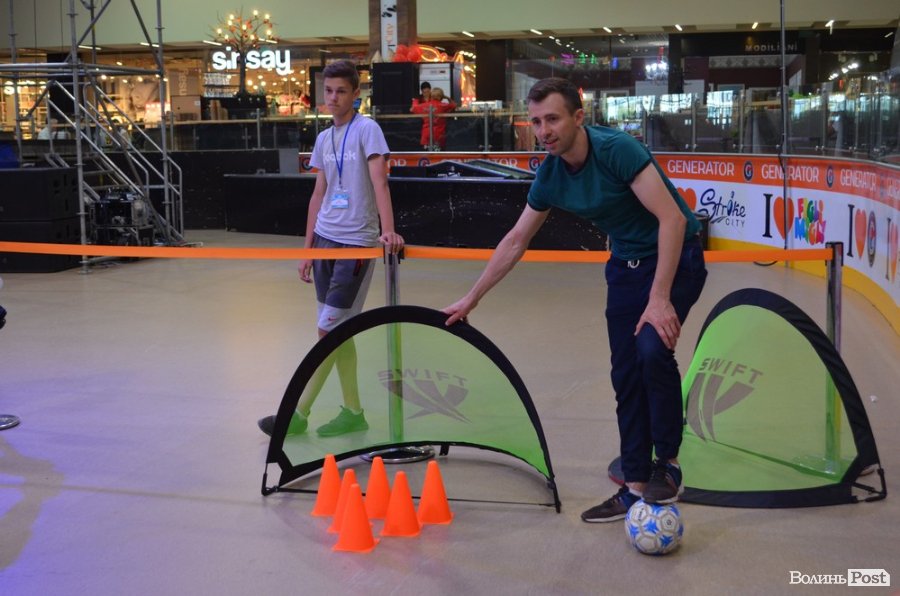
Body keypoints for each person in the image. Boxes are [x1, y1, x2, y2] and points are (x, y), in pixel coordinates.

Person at [442, 77, 707, 522]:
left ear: (578, 117)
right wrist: (472, 298)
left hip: (676, 259)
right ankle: (635, 483)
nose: (543, 131)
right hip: (625, 266)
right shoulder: (550, 175)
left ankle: (668, 463)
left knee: (651, 349)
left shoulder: (617, 150)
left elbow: (673, 221)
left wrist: (660, 298)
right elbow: (516, 240)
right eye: (536, 122)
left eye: (553, 119)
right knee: (624, 372)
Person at [257, 60, 404, 437]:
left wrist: (388, 231)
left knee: (328, 333)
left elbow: (381, 183)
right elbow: (318, 194)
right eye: (328, 91)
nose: (333, 98)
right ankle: (353, 412)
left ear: (356, 94)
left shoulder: (368, 130)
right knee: (339, 332)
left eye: (341, 91)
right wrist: (307, 249)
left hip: (355, 245)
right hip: (324, 239)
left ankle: (297, 415)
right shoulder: (324, 139)